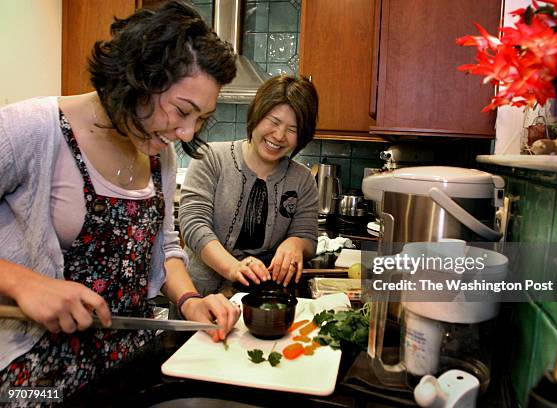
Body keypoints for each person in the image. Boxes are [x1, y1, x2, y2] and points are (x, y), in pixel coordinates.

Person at [0, 0, 240, 397]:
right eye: (182, 110)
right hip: (37, 380)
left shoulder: (157, 151)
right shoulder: (31, 129)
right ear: (138, 77)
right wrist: (24, 283)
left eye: (199, 119)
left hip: (129, 365)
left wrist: (190, 301)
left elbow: (164, 247)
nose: (186, 132)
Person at [179, 75, 319, 296]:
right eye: (274, 121)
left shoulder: (302, 179)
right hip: (199, 298)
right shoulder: (211, 158)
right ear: (257, 114)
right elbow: (193, 225)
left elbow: (308, 237)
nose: (279, 135)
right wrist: (233, 267)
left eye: (292, 129)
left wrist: (295, 244)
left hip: (261, 303)